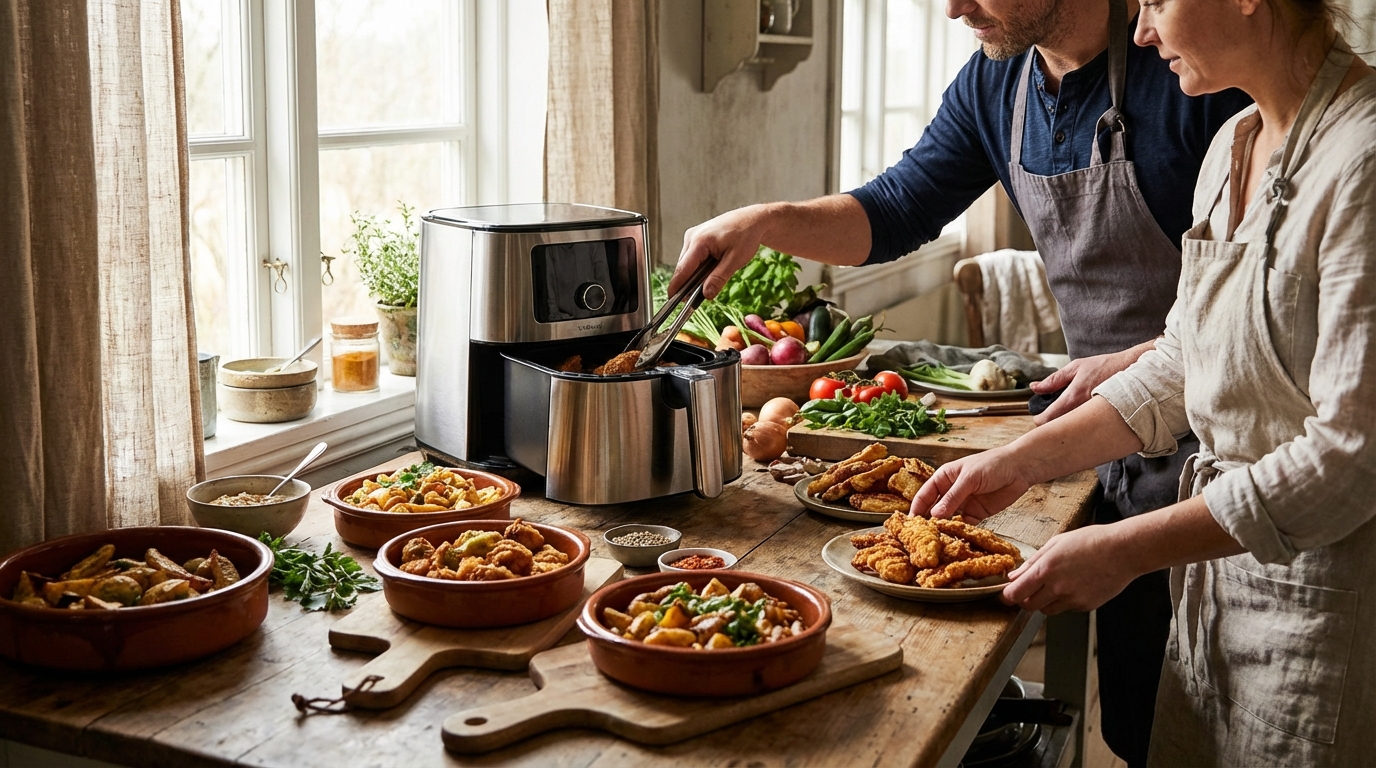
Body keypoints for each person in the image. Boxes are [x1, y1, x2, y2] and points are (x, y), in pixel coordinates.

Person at [669, 1, 1249, 763]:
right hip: (1106, 440)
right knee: (1147, 719)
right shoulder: (996, 81)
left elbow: (1254, 308)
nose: (953, 7)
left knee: (1234, 719)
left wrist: (1143, 363)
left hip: (1226, 443)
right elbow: (895, 210)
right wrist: (765, 220)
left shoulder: (1195, 66)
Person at [911, 0, 1376, 763]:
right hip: (1217, 598)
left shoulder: (1362, 160)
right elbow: (1179, 361)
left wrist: (1124, 549)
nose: (1142, 30)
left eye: (1157, 0)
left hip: (1321, 611)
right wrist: (1018, 464)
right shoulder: (1236, 142)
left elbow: (1350, 460)